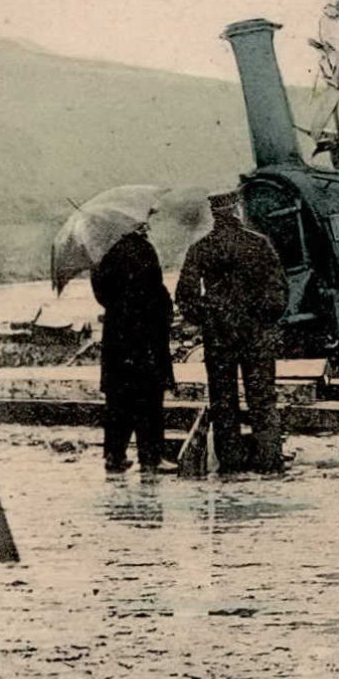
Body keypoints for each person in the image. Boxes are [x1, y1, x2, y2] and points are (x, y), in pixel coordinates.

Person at [176, 191, 289, 474]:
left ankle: (231, 465)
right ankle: (269, 462)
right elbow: (279, 292)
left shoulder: (201, 248)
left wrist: (209, 316)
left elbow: (185, 296)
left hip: (219, 336)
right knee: (263, 399)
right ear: (237, 209)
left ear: (215, 214)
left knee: (223, 401)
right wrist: (263, 318)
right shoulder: (258, 244)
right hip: (256, 335)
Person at [91, 224, 175, 474]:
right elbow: (155, 291)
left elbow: (102, 295)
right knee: (149, 397)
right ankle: (151, 457)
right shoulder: (142, 248)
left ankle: (114, 456)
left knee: (117, 399)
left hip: (116, 335)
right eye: (144, 222)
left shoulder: (100, 254)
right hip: (144, 334)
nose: (148, 225)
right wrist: (167, 311)